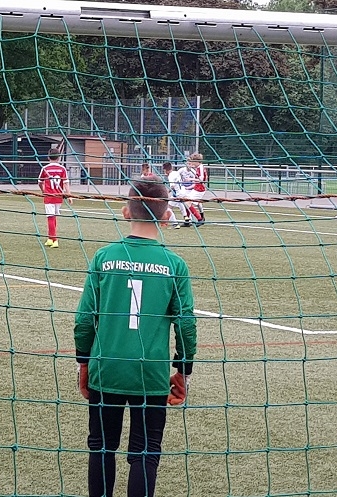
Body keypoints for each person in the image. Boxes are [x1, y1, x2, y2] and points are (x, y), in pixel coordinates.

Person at [73, 176, 197, 497]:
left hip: (107, 368)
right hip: (150, 373)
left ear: (126, 212)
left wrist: (84, 363)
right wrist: (183, 371)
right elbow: (186, 325)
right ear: (166, 216)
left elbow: (84, 319)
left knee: (102, 446)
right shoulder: (174, 265)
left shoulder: (103, 258)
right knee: (145, 452)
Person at [38, 148, 70, 248]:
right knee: (54, 216)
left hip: (49, 196)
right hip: (58, 196)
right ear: (59, 157)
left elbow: (40, 182)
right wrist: (69, 195)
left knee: (50, 217)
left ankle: (55, 239)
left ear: (48, 157)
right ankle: (50, 238)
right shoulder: (62, 169)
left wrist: (43, 191)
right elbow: (66, 183)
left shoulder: (45, 168)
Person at [177, 153, 207, 227]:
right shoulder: (199, 167)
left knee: (187, 203)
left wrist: (190, 179)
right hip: (197, 188)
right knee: (187, 202)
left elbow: (201, 179)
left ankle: (200, 219)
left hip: (199, 189)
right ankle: (188, 221)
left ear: (197, 161)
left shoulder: (200, 168)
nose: (192, 163)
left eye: (193, 161)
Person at [162, 162, 187, 228]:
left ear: (165, 170)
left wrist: (167, 192)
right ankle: (186, 217)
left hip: (177, 194)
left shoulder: (171, 176)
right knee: (179, 203)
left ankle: (175, 223)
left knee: (167, 207)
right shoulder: (176, 173)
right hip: (183, 191)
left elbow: (172, 186)